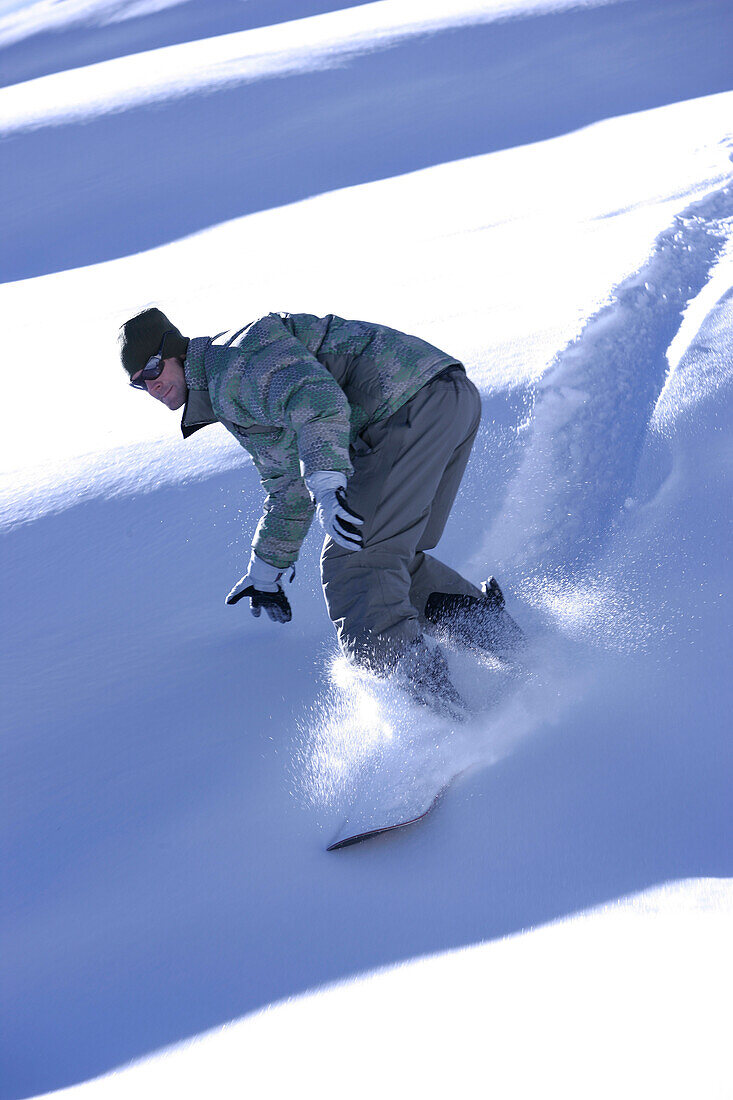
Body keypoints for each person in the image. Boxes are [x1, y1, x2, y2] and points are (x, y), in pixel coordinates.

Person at [119, 307, 522, 717]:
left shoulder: (232, 365)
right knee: (389, 560)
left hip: (406, 405)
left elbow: (318, 402)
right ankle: (516, 652)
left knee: (355, 567)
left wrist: (328, 484)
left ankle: (445, 725)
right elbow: (285, 487)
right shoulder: (230, 388)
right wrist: (266, 572)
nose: (151, 385)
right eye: (138, 383)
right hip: (438, 399)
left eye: (153, 368)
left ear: (177, 350)